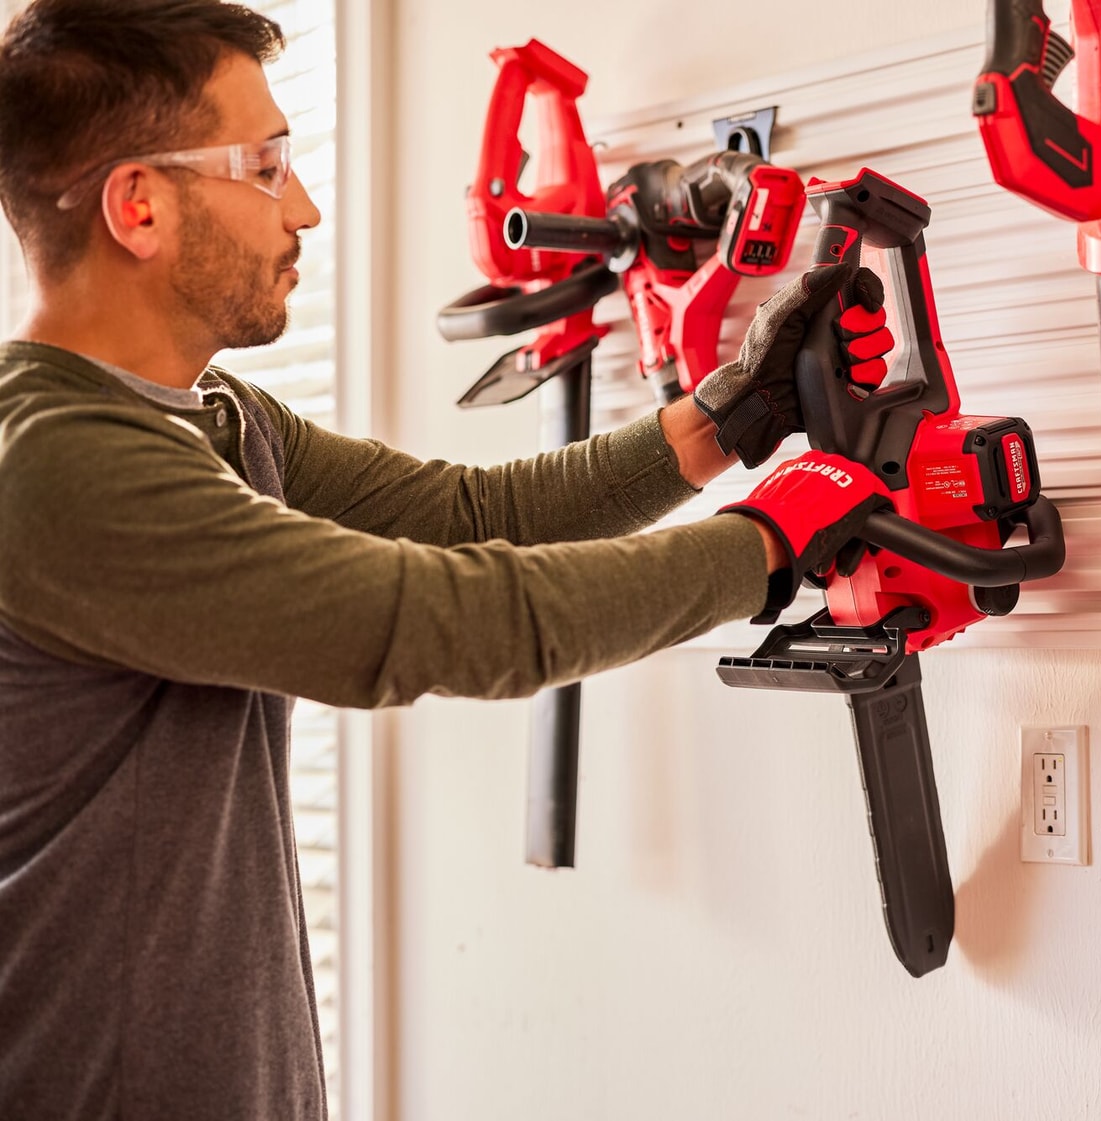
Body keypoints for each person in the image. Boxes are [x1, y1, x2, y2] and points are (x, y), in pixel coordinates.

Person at [0, 2, 896, 1118]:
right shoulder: (53, 468)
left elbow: (468, 515)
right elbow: (435, 618)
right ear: (138, 205)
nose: (308, 206)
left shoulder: (219, 415)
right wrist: (767, 542)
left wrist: (725, 419)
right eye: (268, 166)